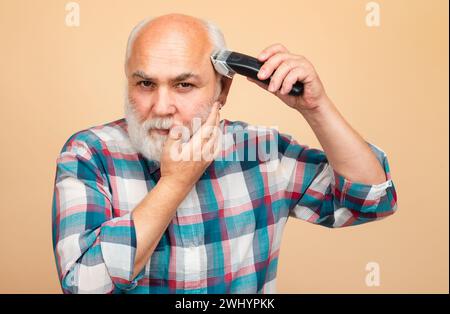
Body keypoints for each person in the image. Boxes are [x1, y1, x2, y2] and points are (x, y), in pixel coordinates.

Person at [51, 13, 397, 294]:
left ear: (222, 89)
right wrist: (175, 183)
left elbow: (371, 200)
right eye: (145, 84)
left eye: (184, 85)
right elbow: (84, 286)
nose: (161, 106)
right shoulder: (89, 153)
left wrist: (315, 107)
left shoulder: (259, 152)